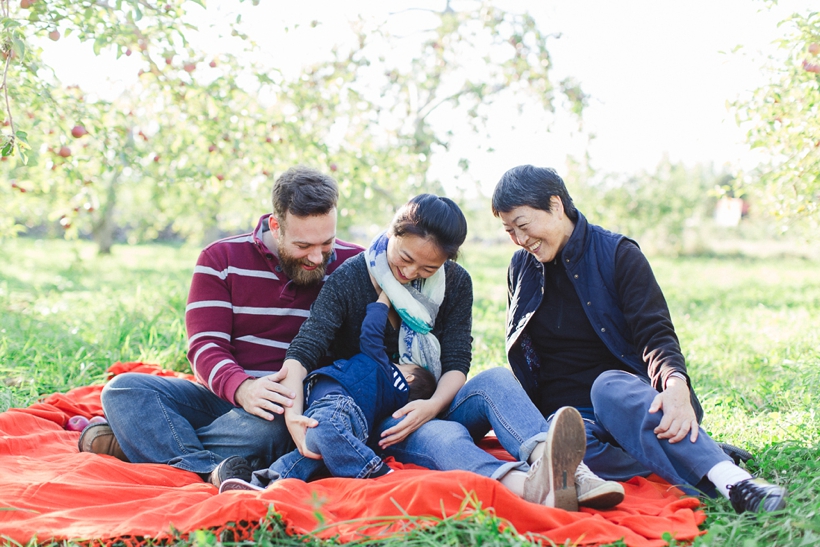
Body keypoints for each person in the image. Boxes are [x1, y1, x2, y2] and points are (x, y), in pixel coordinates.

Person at [271, 193, 623, 511]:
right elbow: (306, 348)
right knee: (444, 436)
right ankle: (530, 486)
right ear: (393, 233)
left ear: (446, 262)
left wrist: (432, 406)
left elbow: (457, 362)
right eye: (405, 258)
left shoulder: (456, 282)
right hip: (384, 418)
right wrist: (294, 415)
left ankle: (570, 471)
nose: (410, 273)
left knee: (496, 378)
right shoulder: (351, 279)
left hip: (434, 396)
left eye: (428, 269)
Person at [490, 164, 787, 514]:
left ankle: (735, 482)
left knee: (608, 386)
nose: (521, 240)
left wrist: (675, 385)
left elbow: (655, 334)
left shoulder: (618, 254)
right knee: (562, 444)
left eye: (523, 226)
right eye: (510, 231)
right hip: (569, 419)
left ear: (556, 206)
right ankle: (699, 454)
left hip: (626, 402)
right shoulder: (520, 267)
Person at [78, 166, 363, 487]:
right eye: (302, 246)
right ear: (276, 225)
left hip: (289, 406)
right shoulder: (221, 259)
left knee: (269, 430)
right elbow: (205, 346)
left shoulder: (354, 266)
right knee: (123, 389)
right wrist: (243, 388)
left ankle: (139, 443)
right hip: (225, 394)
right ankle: (206, 467)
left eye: (327, 243)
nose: (316, 257)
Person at [219, 291, 437, 492]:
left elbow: (371, 335)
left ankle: (374, 471)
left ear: (408, 377)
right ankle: (264, 483)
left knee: (325, 426)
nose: (396, 362)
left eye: (404, 365)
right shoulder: (388, 396)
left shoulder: (387, 372)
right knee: (309, 452)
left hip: (339, 404)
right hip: (328, 410)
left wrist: (383, 301)